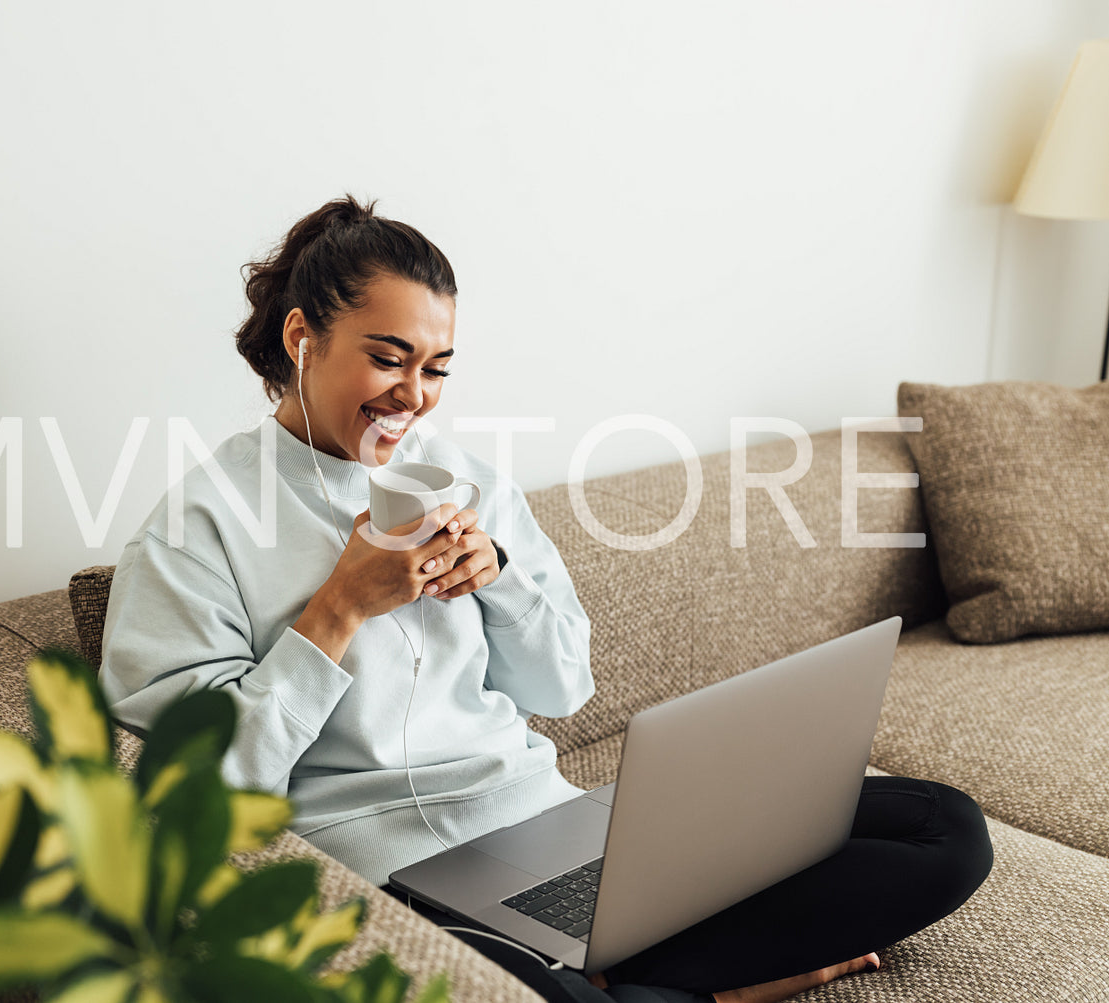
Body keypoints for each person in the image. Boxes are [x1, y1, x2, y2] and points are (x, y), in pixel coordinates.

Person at [98, 195, 993, 1003]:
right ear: (301, 338)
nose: (413, 397)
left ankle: (614, 974)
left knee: (939, 828)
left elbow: (563, 688)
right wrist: (336, 609)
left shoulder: (470, 486)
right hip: (396, 877)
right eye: (388, 358)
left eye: (437, 367)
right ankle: (698, 988)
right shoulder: (195, 529)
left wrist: (501, 579)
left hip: (547, 829)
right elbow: (189, 796)